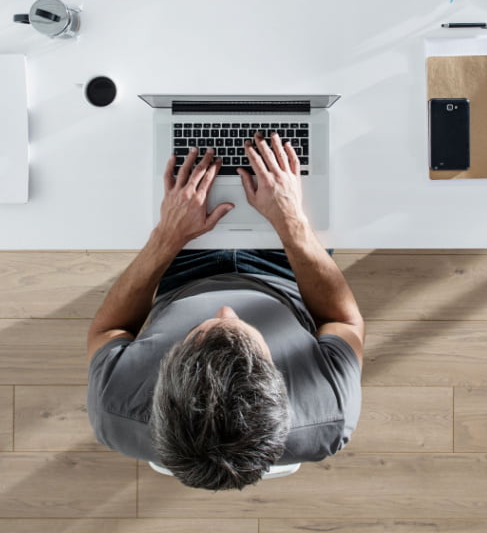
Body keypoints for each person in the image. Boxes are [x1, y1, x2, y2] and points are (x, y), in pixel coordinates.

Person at [87, 132, 364, 491]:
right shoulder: (329, 412)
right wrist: (291, 222)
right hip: (289, 270)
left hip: (179, 267)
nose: (225, 309)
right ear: (281, 384)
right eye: (245, 328)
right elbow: (341, 320)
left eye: (197, 334)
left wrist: (167, 237)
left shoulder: (116, 409)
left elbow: (110, 328)